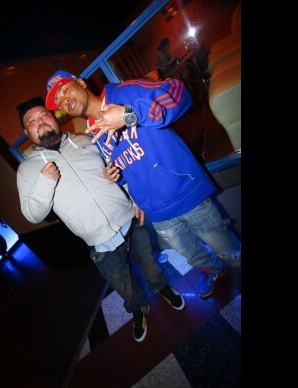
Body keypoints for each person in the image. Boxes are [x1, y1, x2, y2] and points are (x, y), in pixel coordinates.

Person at [44, 70, 241, 298]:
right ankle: (213, 269)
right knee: (192, 255)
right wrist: (116, 175)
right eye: (58, 101)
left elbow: (178, 92)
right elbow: (127, 165)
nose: (64, 100)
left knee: (228, 250)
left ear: (80, 82)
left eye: (64, 90)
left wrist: (129, 114)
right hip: (157, 212)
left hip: (186, 194)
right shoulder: (93, 130)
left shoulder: (124, 92)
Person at [15, 96, 185, 343]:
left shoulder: (86, 140)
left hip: (129, 220)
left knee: (150, 263)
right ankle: (138, 308)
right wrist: (45, 181)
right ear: (26, 132)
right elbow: (33, 214)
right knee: (122, 284)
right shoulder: (27, 170)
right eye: (32, 121)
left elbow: (118, 169)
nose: (40, 122)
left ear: (54, 117)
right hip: (99, 242)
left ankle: (162, 287)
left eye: (44, 115)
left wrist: (133, 198)